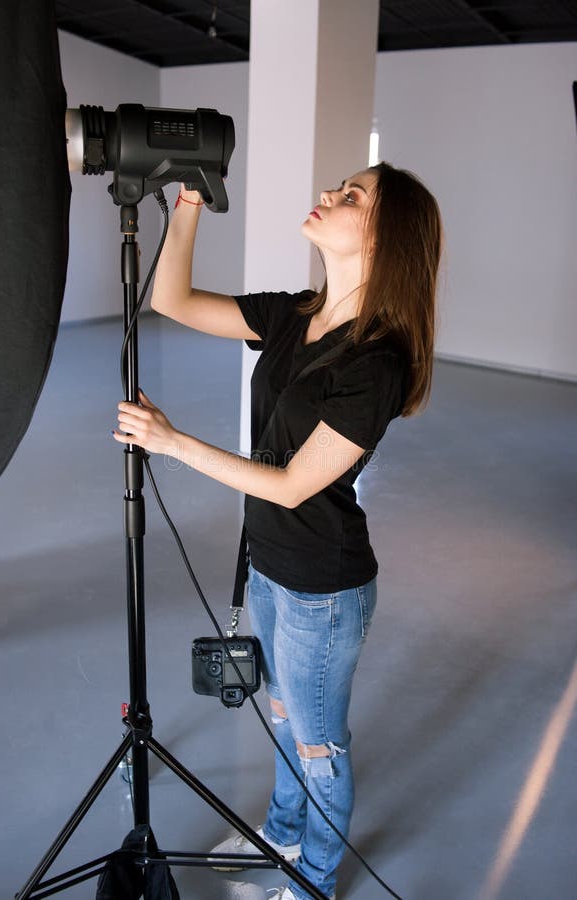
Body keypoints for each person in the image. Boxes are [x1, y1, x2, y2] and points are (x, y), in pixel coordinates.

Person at [112, 162, 443, 900]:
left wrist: (173, 443)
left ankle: (314, 880)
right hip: (269, 562)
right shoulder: (297, 315)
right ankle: (283, 834)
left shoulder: (377, 359)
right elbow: (170, 299)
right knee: (287, 714)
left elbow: (295, 485)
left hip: (323, 587)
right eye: (339, 186)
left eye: (352, 197)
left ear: (389, 239)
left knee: (319, 745)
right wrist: (191, 197)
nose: (329, 196)